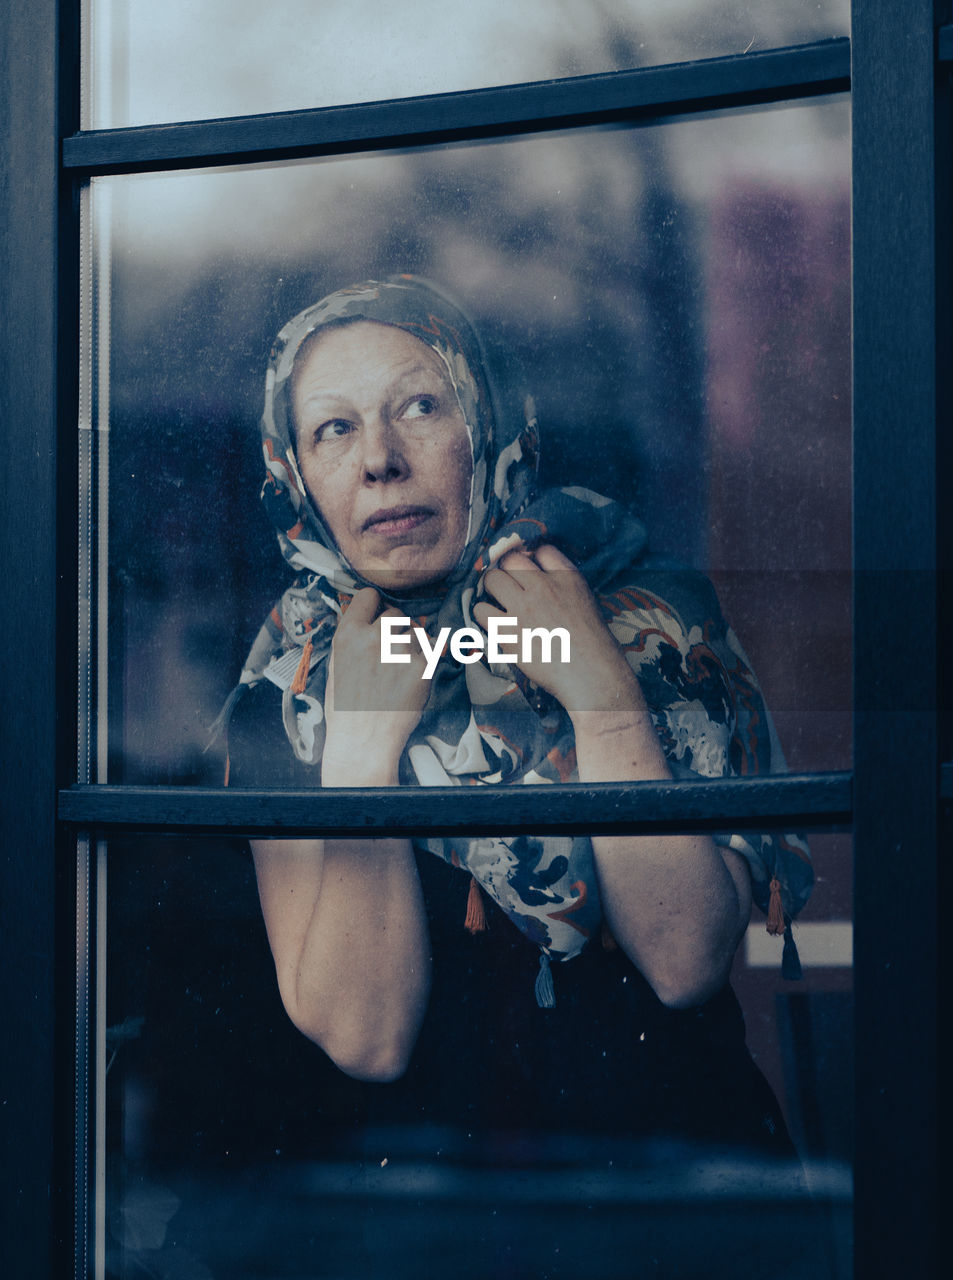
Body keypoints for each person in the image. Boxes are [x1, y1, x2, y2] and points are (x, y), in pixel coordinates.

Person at [223, 275, 817, 1272]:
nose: (379, 460)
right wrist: (362, 747)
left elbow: (682, 959)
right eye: (331, 429)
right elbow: (363, 1032)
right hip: (418, 1215)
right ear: (293, 472)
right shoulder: (287, 682)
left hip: (674, 1205)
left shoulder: (649, 615)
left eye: (420, 403)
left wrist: (599, 691)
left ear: (486, 418)